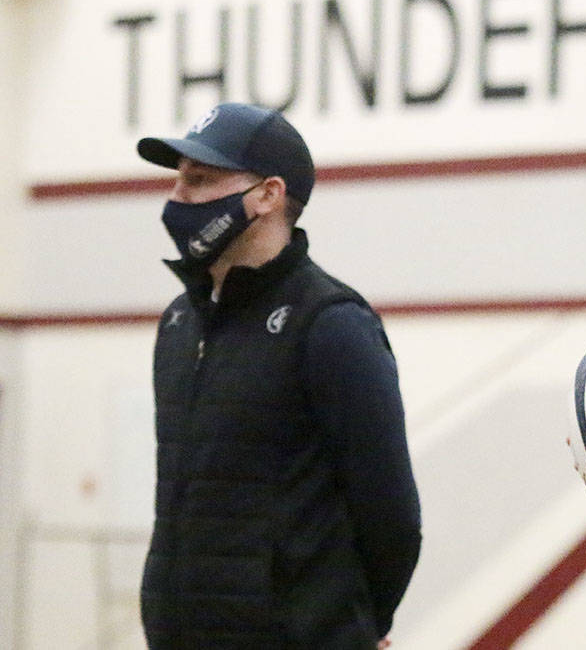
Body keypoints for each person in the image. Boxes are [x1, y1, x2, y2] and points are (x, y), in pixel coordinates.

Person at [136, 102, 421, 649]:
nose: (177, 197)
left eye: (200, 179)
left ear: (268, 195)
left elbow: (392, 517)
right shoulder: (178, 322)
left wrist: (354, 625)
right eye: (178, 179)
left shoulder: (332, 324)